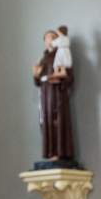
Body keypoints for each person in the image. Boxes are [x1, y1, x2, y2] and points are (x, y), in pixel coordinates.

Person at [33, 29, 74, 160]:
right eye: (48, 37)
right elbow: (38, 81)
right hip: (46, 95)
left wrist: (61, 79)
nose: (51, 39)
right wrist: (36, 75)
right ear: (45, 41)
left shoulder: (62, 54)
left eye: (53, 37)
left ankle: (61, 152)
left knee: (59, 120)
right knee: (47, 121)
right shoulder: (43, 59)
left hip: (58, 94)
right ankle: (51, 152)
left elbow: (70, 77)